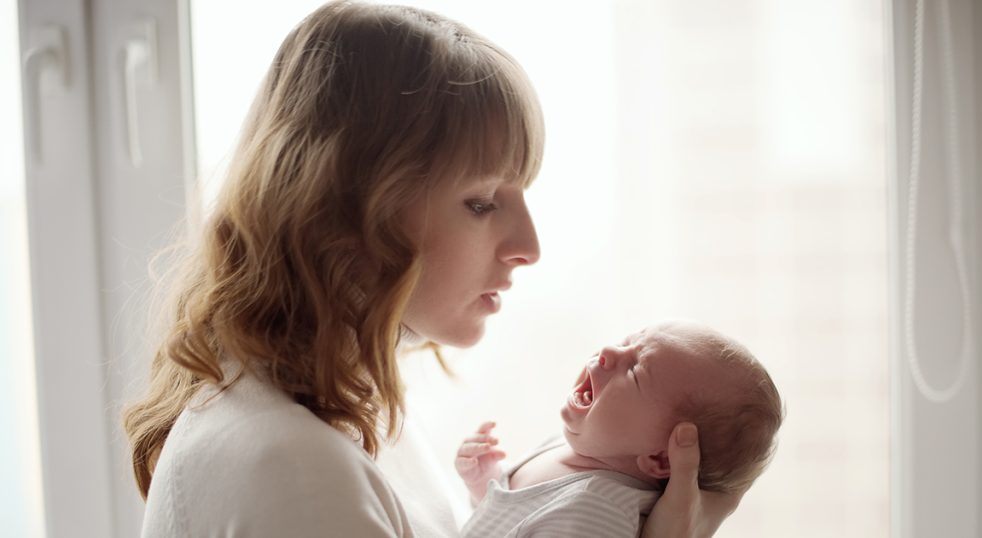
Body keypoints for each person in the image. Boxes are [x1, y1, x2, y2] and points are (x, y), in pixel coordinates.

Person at [122, 2, 745, 536]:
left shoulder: (352, 413)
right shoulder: (296, 470)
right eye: (481, 203)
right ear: (345, 210)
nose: (528, 245)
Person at [455, 321, 783, 537]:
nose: (610, 352)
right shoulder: (570, 449)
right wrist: (487, 481)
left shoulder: (596, 510)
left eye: (636, 372)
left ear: (662, 459)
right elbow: (515, 520)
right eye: (629, 341)